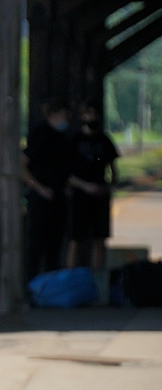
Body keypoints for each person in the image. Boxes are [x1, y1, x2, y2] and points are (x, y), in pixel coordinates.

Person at [22, 100, 74, 281]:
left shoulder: (63, 138)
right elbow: (23, 166)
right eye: (65, 114)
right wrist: (39, 188)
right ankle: (32, 284)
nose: (67, 118)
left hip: (58, 199)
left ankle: (51, 285)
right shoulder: (40, 135)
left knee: (55, 246)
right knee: (36, 245)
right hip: (40, 199)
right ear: (54, 115)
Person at [67, 106, 118, 268]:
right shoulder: (74, 140)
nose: (92, 118)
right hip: (79, 196)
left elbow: (114, 169)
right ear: (82, 116)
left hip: (99, 196)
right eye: (88, 114)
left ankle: (98, 276)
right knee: (76, 239)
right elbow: (66, 173)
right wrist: (84, 186)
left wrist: (107, 187)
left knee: (99, 239)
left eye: (94, 114)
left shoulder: (104, 140)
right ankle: (72, 275)